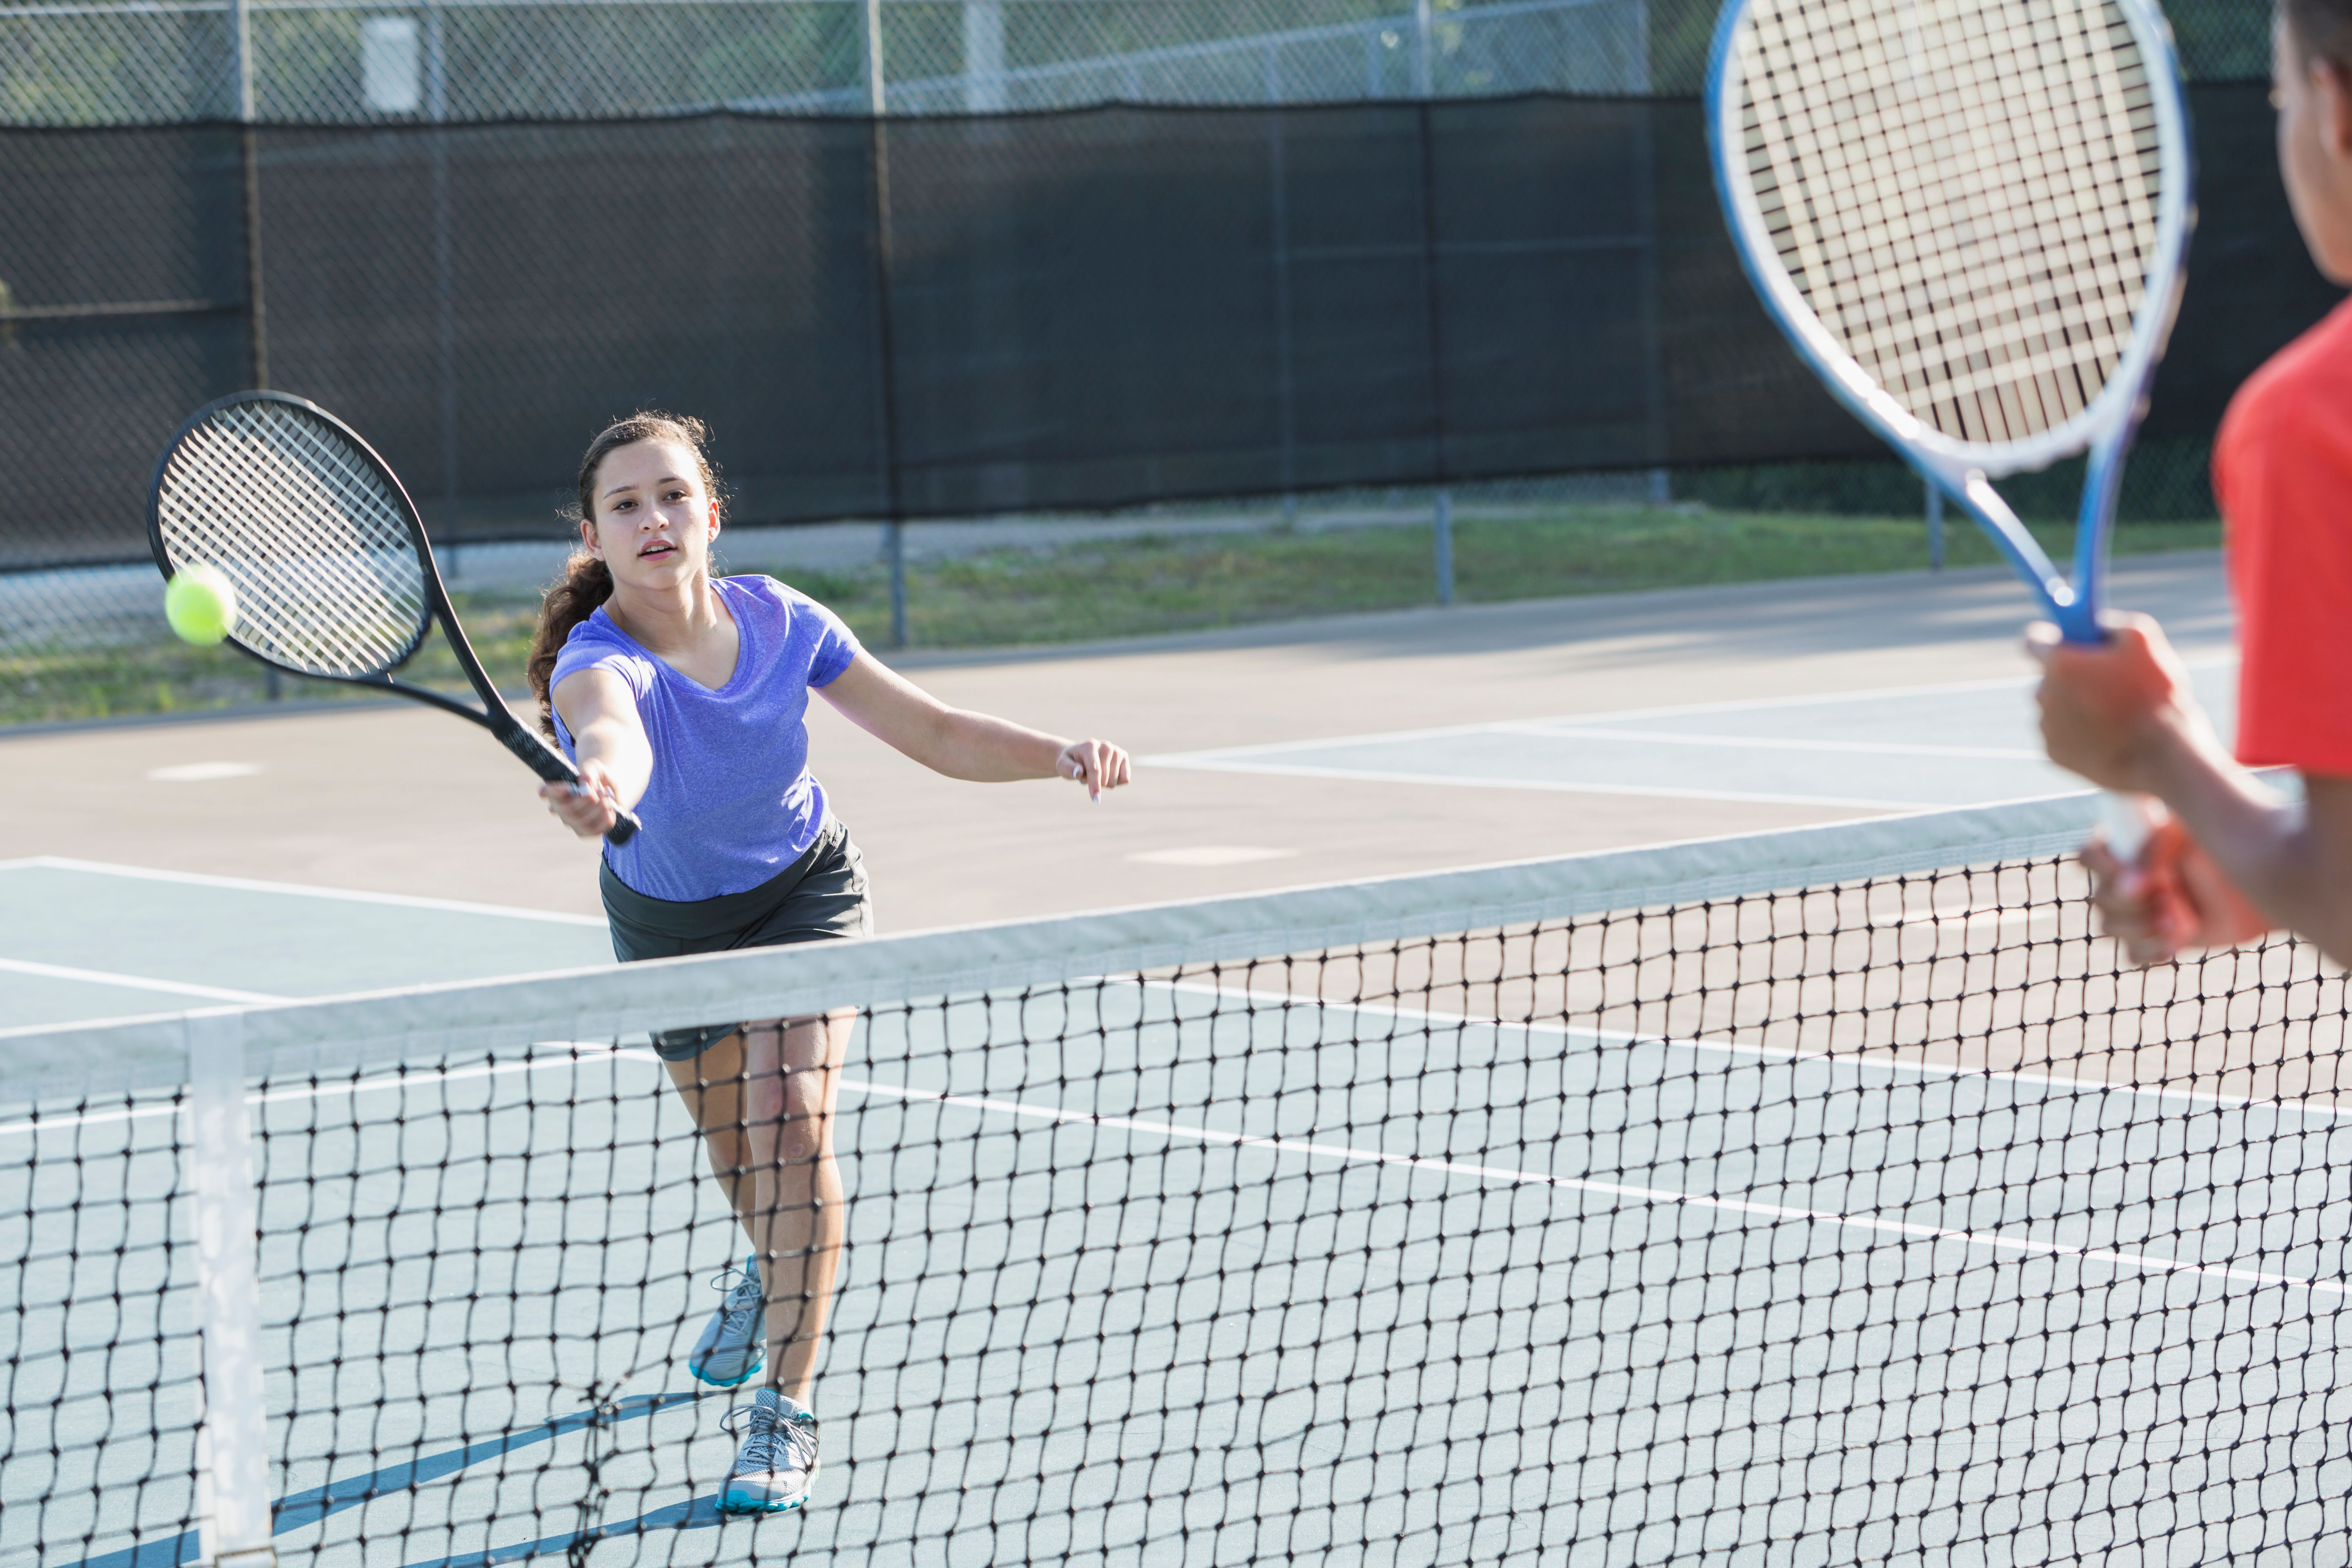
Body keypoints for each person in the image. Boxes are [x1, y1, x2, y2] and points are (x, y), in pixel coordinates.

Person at [526, 411, 1133, 1517]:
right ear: (596, 541)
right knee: (747, 1170)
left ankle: (785, 1408)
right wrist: (604, 785)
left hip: (806, 891)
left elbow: (936, 731)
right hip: (671, 929)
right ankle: (768, 1271)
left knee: (793, 1121)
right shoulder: (596, 660)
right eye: (626, 506)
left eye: (671, 495)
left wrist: (1056, 755)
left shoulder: (784, 620)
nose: (653, 519)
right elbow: (618, 733)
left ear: (711, 513)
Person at [2034, 0, 2352, 970]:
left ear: (2335, 111)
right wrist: (2265, 874)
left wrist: (2152, 747)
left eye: (2278, 95)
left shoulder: (2311, 423)